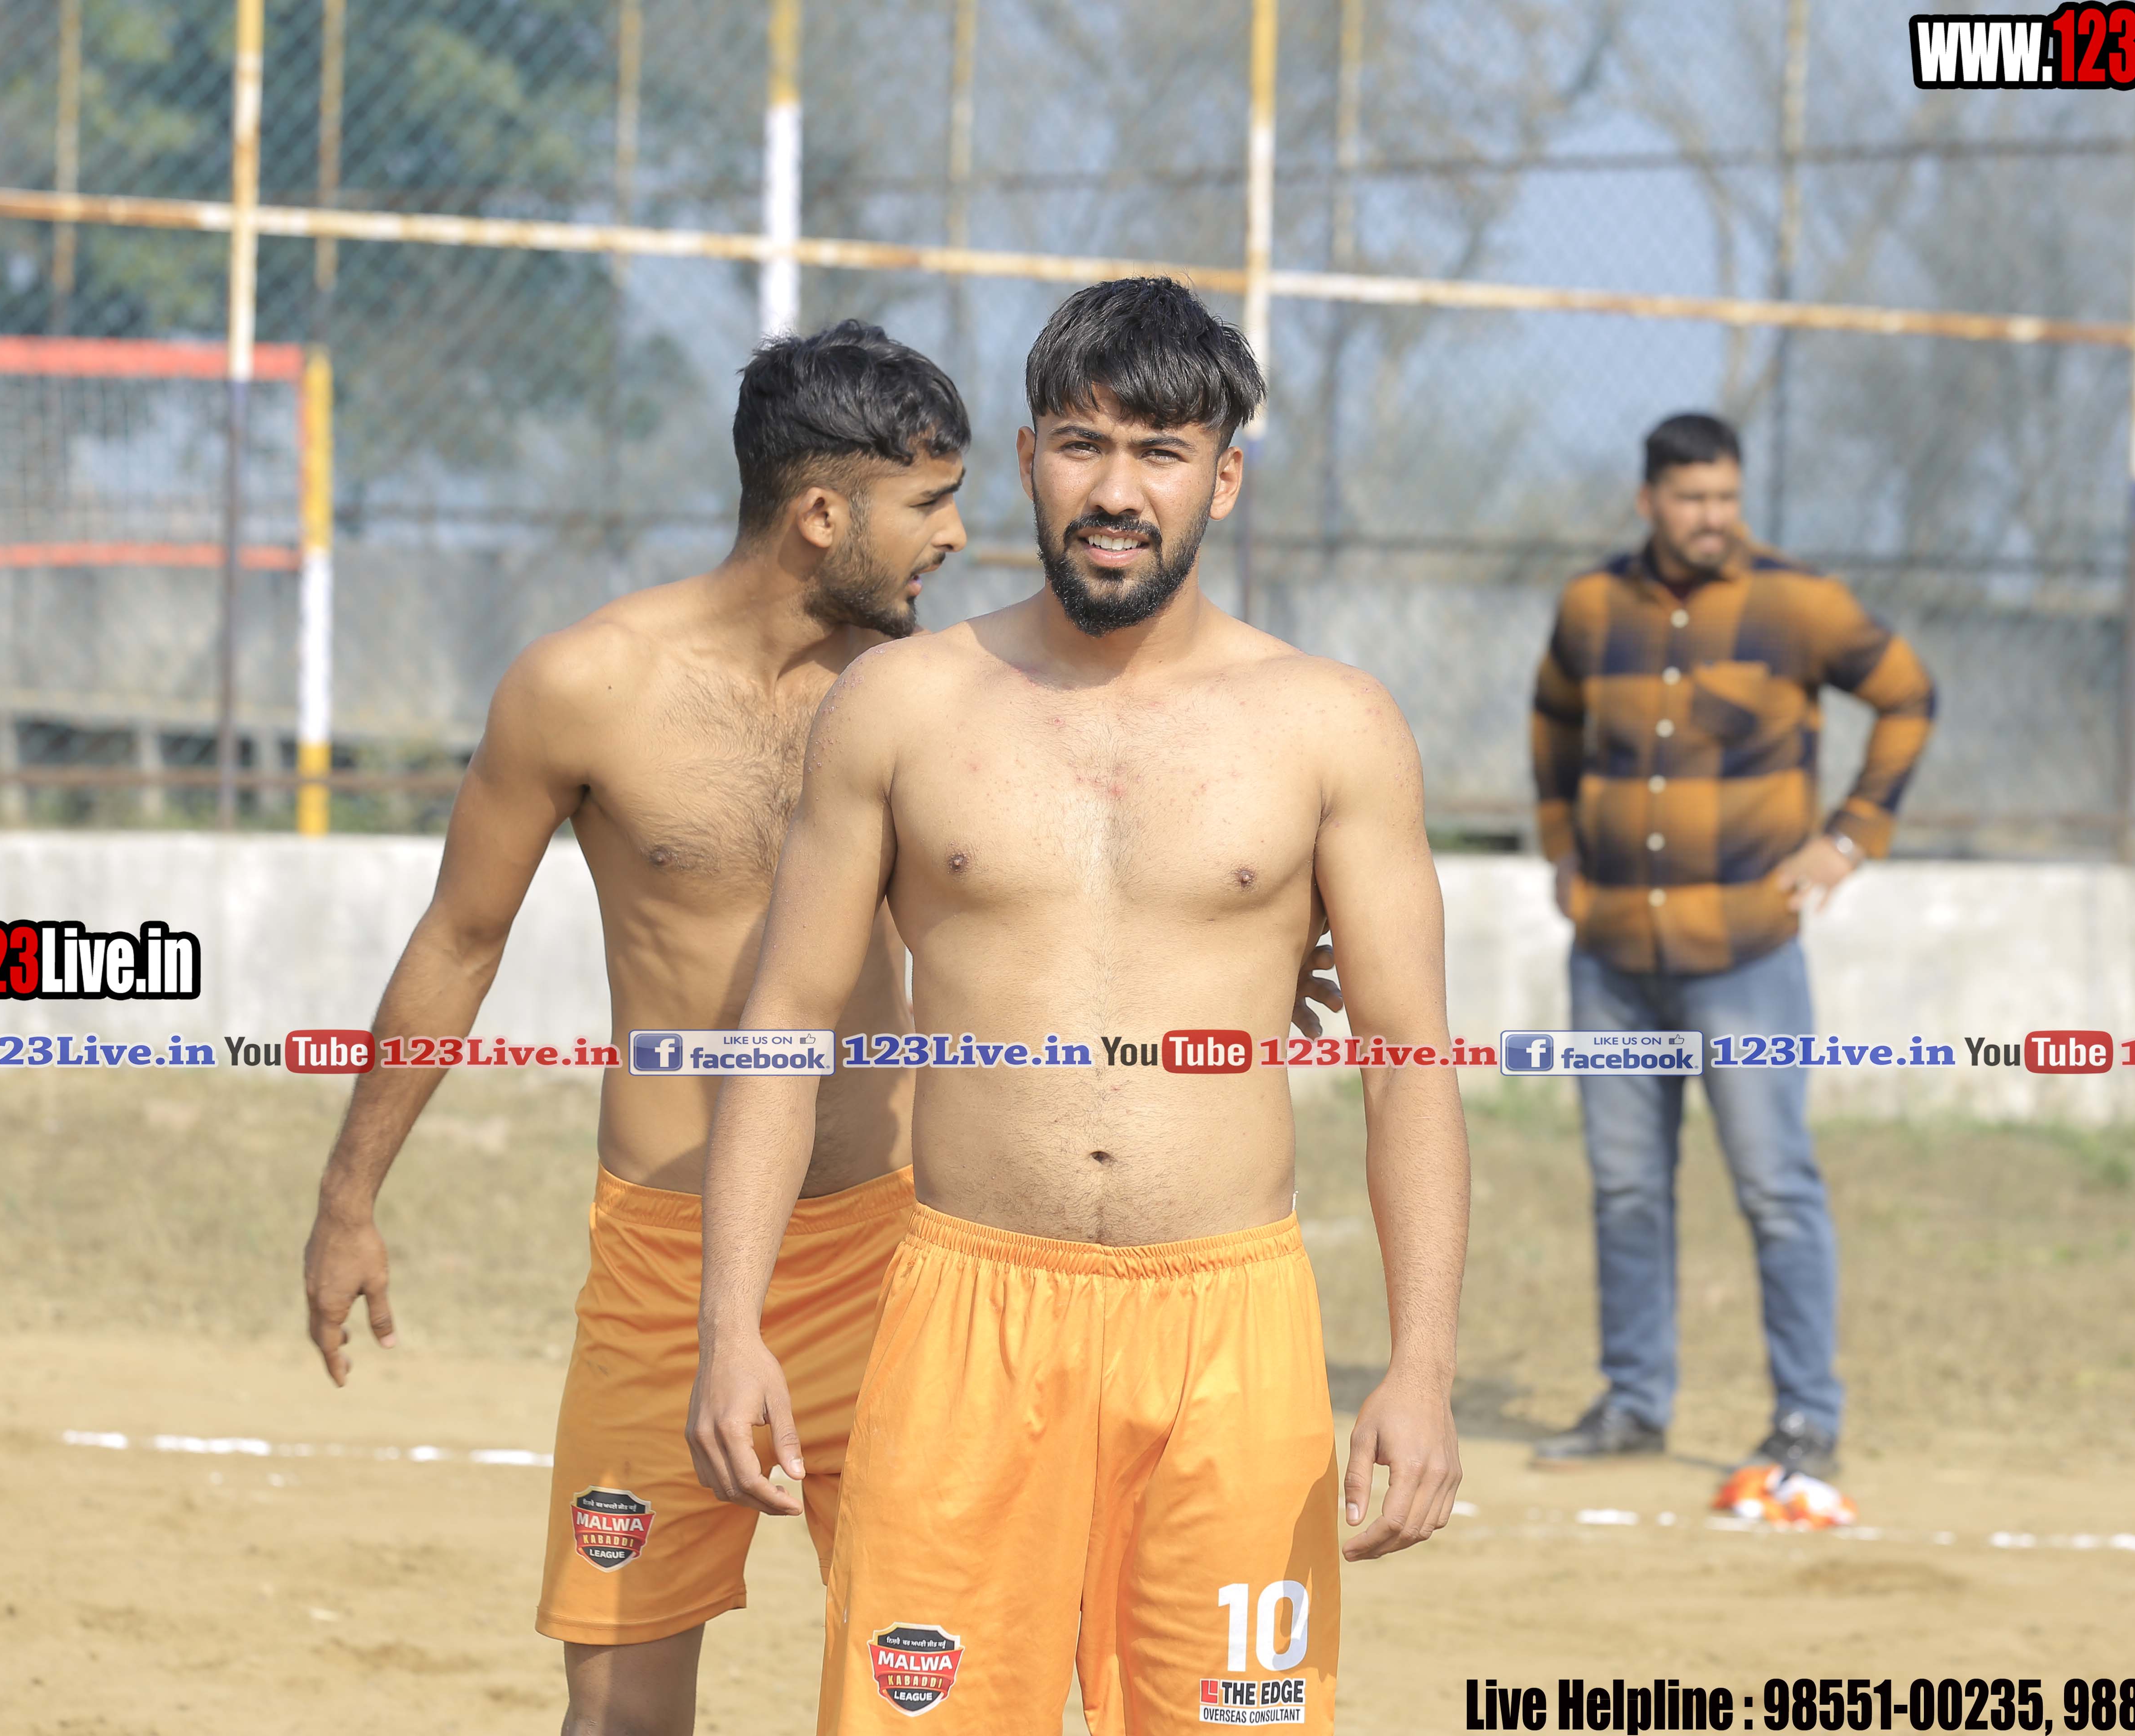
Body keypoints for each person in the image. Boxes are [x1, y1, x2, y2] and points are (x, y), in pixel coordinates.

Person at [686, 277, 1470, 1736]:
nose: (1116, 492)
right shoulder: (902, 707)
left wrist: (1421, 1371)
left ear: (1223, 479)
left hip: (1232, 1336)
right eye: (1082, 445)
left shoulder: (1330, 725)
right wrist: (730, 1326)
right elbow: (784, 1030)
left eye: (1161, 452)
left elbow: (1410, 1063)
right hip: (963, 1324)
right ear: (1029, 459)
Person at [299, 321, 967, 1736]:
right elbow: (460, 941)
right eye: (929, 502)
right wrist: (350, 1197)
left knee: (926, 1707)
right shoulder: (586, 687)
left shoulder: (931, 698)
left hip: (887, 1259)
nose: (958, 537)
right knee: (621, 1717)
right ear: (822, 512)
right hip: (665, 1265)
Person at [1527, 411, 1936, 1480]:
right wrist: (1562, 845)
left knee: (1775, 1187)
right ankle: (1633, 1403)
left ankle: (1806, 1418)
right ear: (1648, 500)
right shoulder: (1591, 606)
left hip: (1746, 958)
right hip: (1612, 957)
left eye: (1726, 498)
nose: (1713, 518)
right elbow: (1553, 722)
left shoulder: (1800, 604)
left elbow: (1908, 696)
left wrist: (1849, 839)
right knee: (1625, 1189)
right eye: (1692, 499)